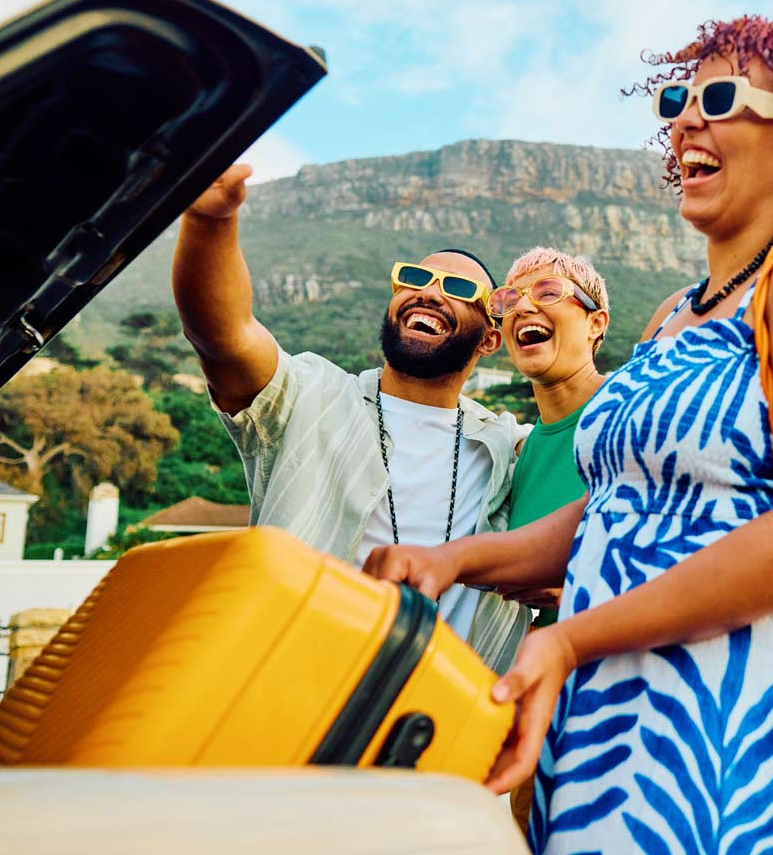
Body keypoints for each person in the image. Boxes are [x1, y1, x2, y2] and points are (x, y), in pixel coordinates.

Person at [365, 15, 773, 853]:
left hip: (739, 714)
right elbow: (615, 513)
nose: (684, 120)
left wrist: (573, 638)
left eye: (720, 99)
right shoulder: (671, 319)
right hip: (609, 713)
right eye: (678, 100)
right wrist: (456, 563)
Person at [173, 163, 530, 671]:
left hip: (445, 723)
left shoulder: (509, 447)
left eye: (455, 288)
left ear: (491, 339)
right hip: (289, 690)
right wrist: (210, 222)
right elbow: (223, 335)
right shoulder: (309, 396)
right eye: (414, 278)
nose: (428, 292)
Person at [484, 246, 611, 830]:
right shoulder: (522, 451)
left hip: (629, 694)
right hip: (541, 713)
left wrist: (583, 586)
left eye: (550, 293)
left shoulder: (634, 411)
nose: (522, 308)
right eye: (508, 300)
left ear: (595, 323)